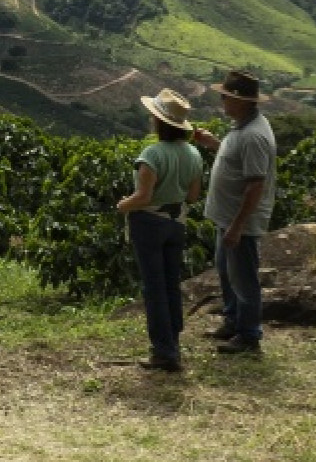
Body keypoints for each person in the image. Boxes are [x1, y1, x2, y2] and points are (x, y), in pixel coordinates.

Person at [115, 88, 204, 372]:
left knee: (153, 287)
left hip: (149, 224)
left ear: (158, 121)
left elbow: (144, 197)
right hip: (176, 223)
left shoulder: (151, 154)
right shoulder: (193, 154)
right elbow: (193, 196)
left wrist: (122, 206)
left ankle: (164, 351)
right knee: (170, 283)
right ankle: (173, 342)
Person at [191, 70, 275, 355]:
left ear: (240, 100)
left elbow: (255, 184)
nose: (222, 101)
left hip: (239, 221)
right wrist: (213, 144)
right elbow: (237, 161)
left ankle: (249, 336)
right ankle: (232, 321)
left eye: (226, 97)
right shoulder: (243, 126)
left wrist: (238, 225)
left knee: (243, 278)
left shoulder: (253, 136)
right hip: (227, 217)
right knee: (227, 272)